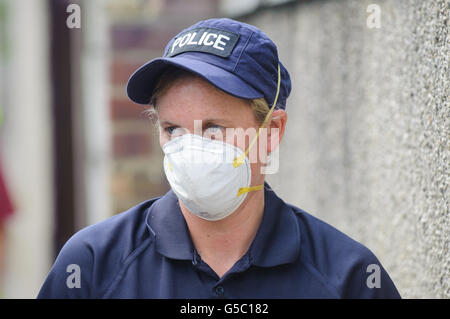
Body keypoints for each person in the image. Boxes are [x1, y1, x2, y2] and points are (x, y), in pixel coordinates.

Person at [38, 18, 400, 298]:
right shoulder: (93, 265)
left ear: (271, 131)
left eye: (213, 129)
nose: (189, 150)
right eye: (173, 129)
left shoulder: (348, 276)